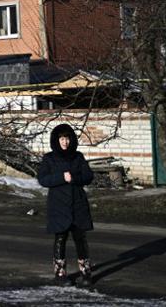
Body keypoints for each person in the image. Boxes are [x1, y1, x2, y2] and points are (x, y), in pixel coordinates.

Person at [38, 123, 95, 286]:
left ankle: (86, 273)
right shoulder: (49, 158)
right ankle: (60, 274)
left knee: (80, 239)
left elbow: (88, 176)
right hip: (58, 204)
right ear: (56, 140)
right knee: (60, 239)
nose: (65, 142)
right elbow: (43, 179)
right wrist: (61, 177)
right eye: (62, 138)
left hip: (77, 203)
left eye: (67, 138)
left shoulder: (78, 157)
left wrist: (74, 178)